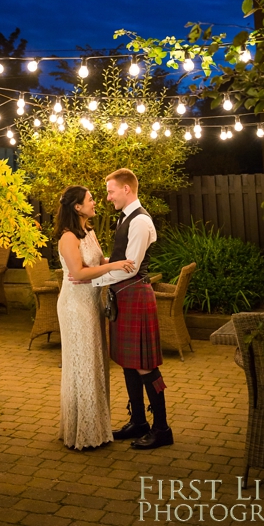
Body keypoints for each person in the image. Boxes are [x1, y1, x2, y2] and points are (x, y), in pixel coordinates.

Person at [90, 168, 173, 450]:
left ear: (127, 189)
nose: (108, 196)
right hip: (124, 297)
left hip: (135, 294)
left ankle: (162, 428)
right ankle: (139, 421)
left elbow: (130, 267)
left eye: (111, 191)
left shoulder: (139, 222)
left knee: (144, 366)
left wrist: (94, 280)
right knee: (128, 363)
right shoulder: (125, 218)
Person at [55, 185, 136, 450]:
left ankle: (96, 428)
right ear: (77, 207)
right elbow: (78, 273)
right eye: (90, 199)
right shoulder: (68, 237)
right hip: (75, 306)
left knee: (95, 363)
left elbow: (98, 261)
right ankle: (81, 432)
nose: (95, 202)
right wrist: (112, 266)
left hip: (92, 304)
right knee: (83, 364)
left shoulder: (88, 232)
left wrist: (126, 260)